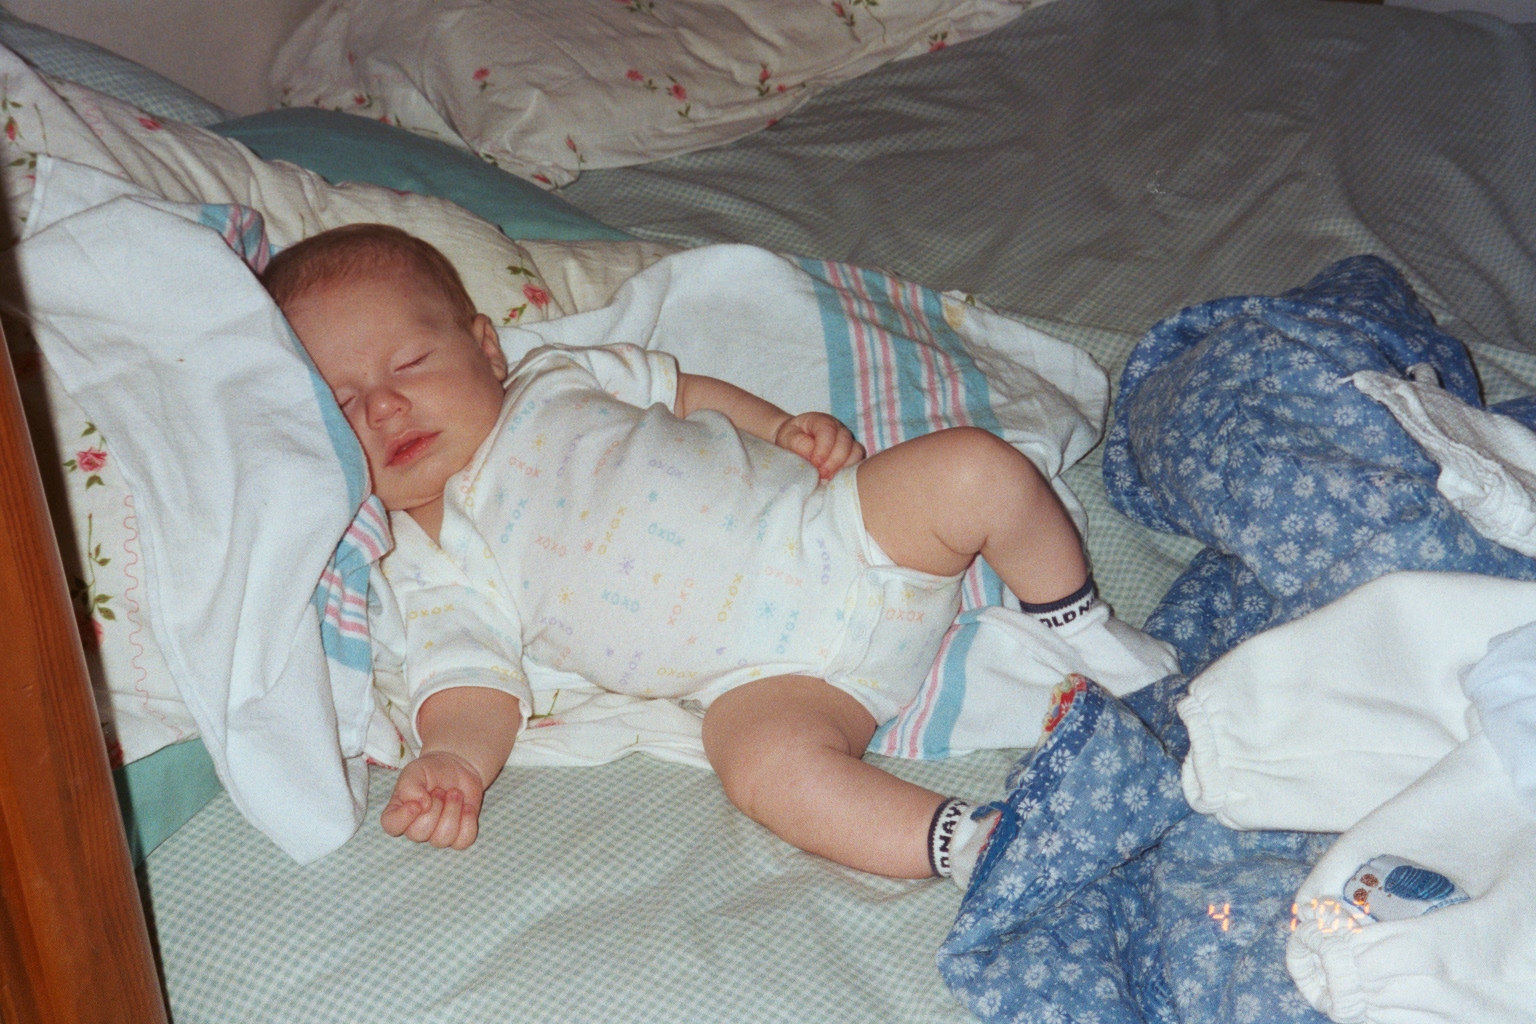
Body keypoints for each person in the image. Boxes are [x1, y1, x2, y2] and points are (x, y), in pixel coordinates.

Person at [263, 223, 1098, 885]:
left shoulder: (556, 377)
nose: (384, 406)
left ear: (486, 347)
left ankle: (1079, 623)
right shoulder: (426, 550)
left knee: (974, 468)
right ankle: (972, 846)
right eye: (343, 404)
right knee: (766, 775)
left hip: (843, 532)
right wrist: (454, 759)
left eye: (410, 364)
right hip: (771, 684)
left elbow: (684, 391)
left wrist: (780, 428)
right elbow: (469, 676)